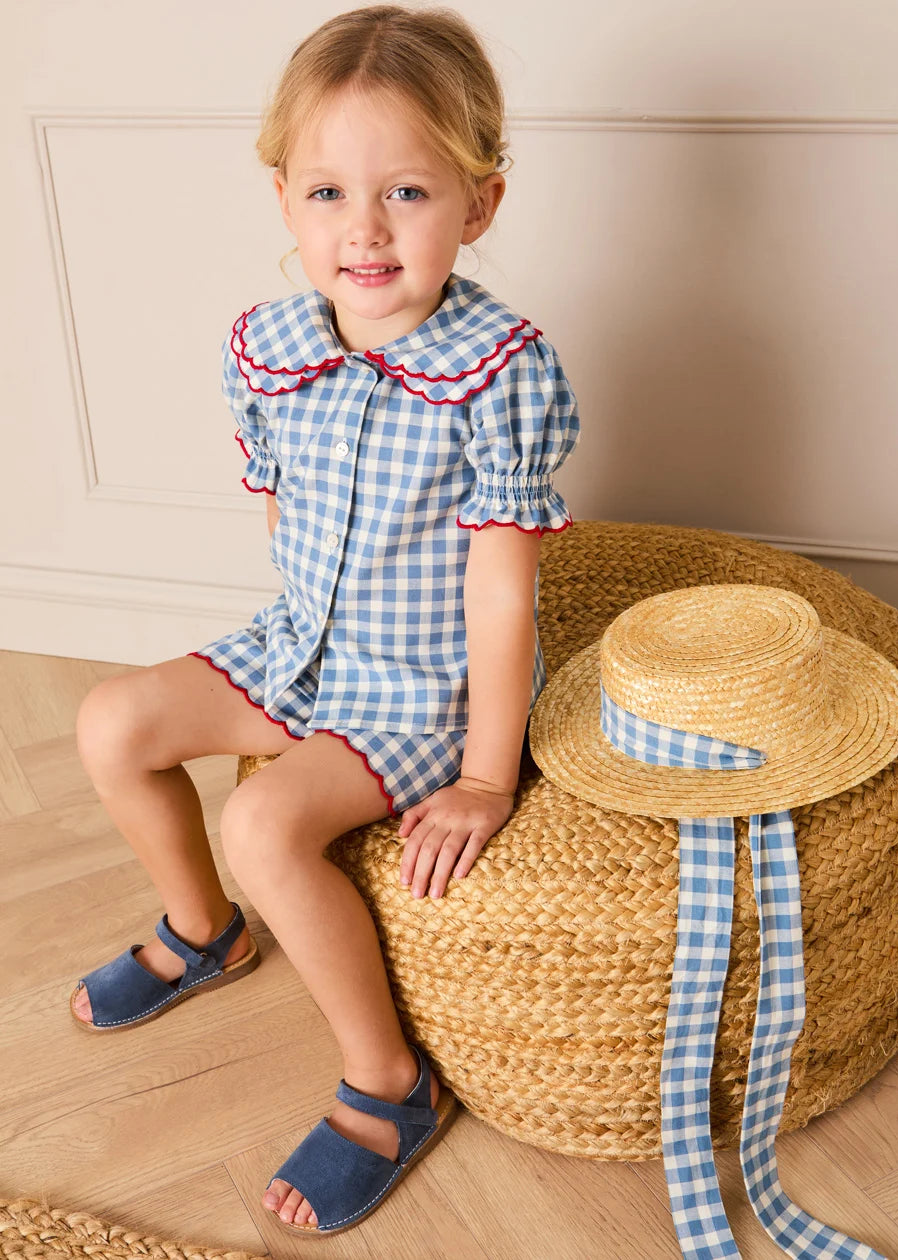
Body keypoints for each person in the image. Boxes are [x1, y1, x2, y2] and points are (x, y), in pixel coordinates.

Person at [70, 3, 581, 1237]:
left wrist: (485, 775)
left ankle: (389, 1082)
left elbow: (502, 592)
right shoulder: (269, 345)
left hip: (420, 682)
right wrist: (275, 673)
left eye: (406, 192)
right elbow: (283, 521)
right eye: (329, 192)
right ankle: (203, 933)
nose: (363, 229)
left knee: (265, 819)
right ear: (284, 198)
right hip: (303, 642)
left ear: (480, 203)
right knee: (110, 721)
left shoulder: (500, 369)